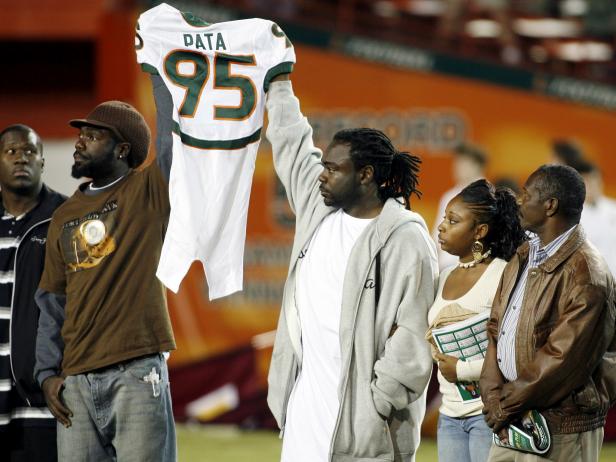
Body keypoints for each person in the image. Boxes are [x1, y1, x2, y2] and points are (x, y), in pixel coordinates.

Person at [265, 74, 439, 462]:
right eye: (323, 166)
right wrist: (277, 82)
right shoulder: (318, 209)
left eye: (333, 168)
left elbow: (414, 333)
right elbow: (292, 142)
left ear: (365, 175)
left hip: (366, 429)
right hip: (305, 415)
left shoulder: (406, 240)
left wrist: (379, 402)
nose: (322, 175)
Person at [34, 101, 177, 461]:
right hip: (76, 382)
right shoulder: (63, 214)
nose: (80, 142)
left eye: (93, 136)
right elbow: (52, 299)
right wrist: (47, 373)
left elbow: (171, 143)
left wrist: (161, 73)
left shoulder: (147, 191)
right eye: (80, 134)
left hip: (137, 372)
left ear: (122, 149)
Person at [480, 164, 616, 462]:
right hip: (511, 422)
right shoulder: (524, 254)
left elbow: (563, 358)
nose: (519, 200)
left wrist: (504, 403)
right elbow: (496, 329)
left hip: (559, 427)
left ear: (550, 205)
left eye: (527, 194)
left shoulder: (588, 272)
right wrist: (491, 394)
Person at [427, 179, 525, 462]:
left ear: (479, 231)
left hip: (490, 415)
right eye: (444, 217)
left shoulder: (503, 275)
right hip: (449, 415)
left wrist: (463, 369)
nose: (442, 226)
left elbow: (516, 353)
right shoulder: (442, 277)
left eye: (453, 220)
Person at [0, 125, 65, 461]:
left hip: (42, 405)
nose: (20, 158)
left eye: (29, 152)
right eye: (11, 151)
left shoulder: (66, 218)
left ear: (43, 162)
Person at [432, 143, 487, 270]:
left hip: (475, 267)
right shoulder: (449, 196)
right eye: (457, 163)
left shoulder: (489, 196)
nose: (458, 167)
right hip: (445, 267)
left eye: (464, 163)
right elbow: (436, 236)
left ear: (477, 166)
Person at [576, 161, 616, 276]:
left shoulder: (613, 208)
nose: (592, 185)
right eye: (587, 181)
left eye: (595, 179)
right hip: (593, 283)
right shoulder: (573, 216)